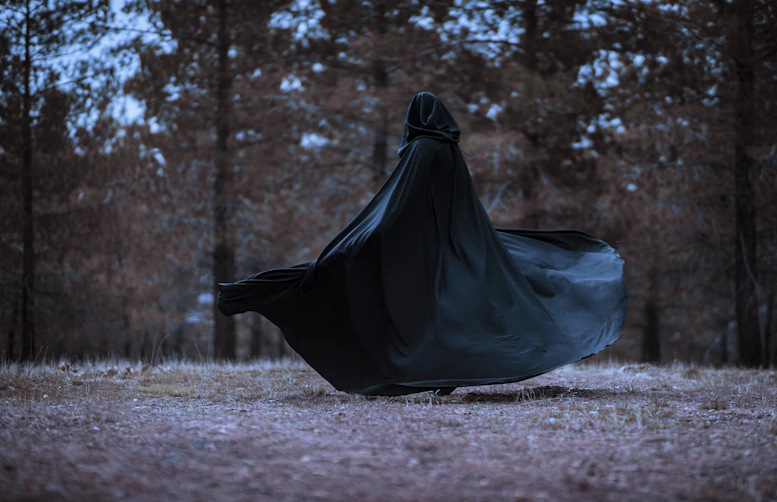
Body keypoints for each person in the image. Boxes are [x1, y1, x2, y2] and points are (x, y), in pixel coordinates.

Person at [218, 92, 627, 396]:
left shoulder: (423, 150)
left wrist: (364, 237)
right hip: (461, 247)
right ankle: (447, 374)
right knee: (459, 314)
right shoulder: (450, 150)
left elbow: (397, 204)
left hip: (428, 250)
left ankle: (245, 294)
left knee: (340, 278)